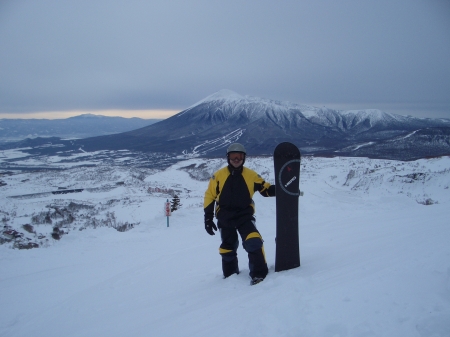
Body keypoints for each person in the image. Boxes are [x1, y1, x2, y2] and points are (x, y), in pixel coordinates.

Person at [203, 143, 276, 285]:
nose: (236, 159)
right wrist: (208, 217)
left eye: (239, 156)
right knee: (227, 247)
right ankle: (230, 276)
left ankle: (258, 274)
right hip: (225, 216)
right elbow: (210, 195)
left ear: (244, 158)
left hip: (244, 215)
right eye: (233, 156)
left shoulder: (251, 175)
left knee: (253, 241)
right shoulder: (218, 176)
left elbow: (265, 189)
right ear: (228, 158)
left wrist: (281, 188)